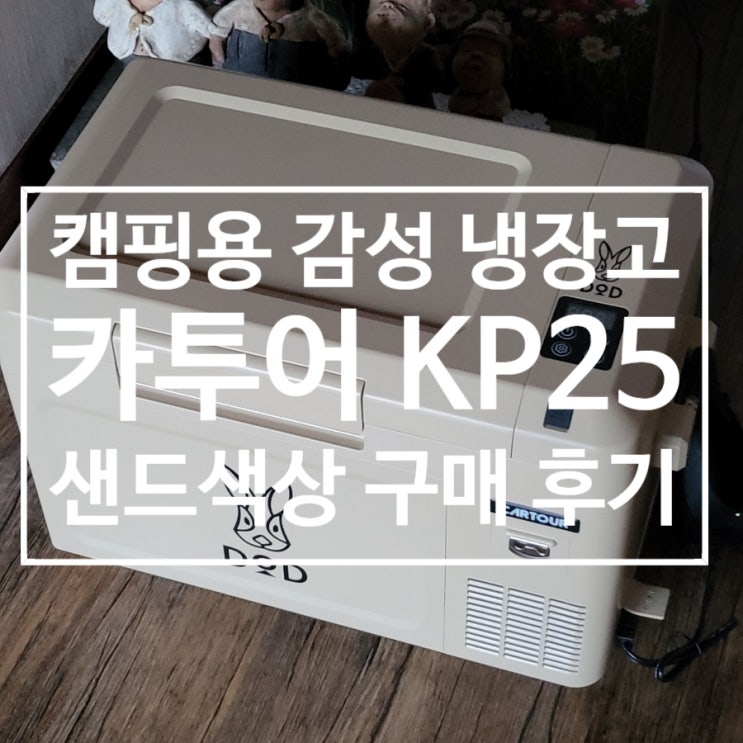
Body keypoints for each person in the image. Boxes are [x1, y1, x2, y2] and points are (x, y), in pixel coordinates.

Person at [209, 0, 350, 89]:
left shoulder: (313, 18)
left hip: (298, 90)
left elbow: (338, 48)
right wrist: (220, 60)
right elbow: (217, 33)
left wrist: (336, 78)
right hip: (241, 83)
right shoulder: (240, 8)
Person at [93, 0, 224, 63]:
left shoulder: (180, 5)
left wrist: (216, 46)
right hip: (128, 53)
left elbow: (209, 29)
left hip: (178, 61)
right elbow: (102, 15)